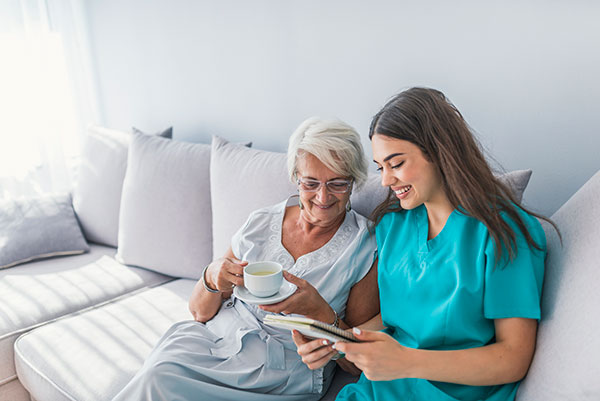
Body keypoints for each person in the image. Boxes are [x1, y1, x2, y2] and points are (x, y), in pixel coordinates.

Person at [293, 87, 558, 401]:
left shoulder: (504, 232)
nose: (386, 181)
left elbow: (513, 358)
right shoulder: (393, 226)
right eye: (381, 167)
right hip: (381, 391)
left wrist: (407, 361)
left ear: (439, 152)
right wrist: (341, 343)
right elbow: (395, 322)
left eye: (396, 164)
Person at [111, 117, 379, 401]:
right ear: (295, 178)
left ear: (353, 182)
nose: (322, 197)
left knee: (161, 382)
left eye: (337, 183)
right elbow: (200, 313)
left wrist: (320, 313)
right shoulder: (262, 222)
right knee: (160, 370)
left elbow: (356, 364)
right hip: (216, 340)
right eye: (310, 183)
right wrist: (213, 275)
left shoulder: (363, 246)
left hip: (280, 371)